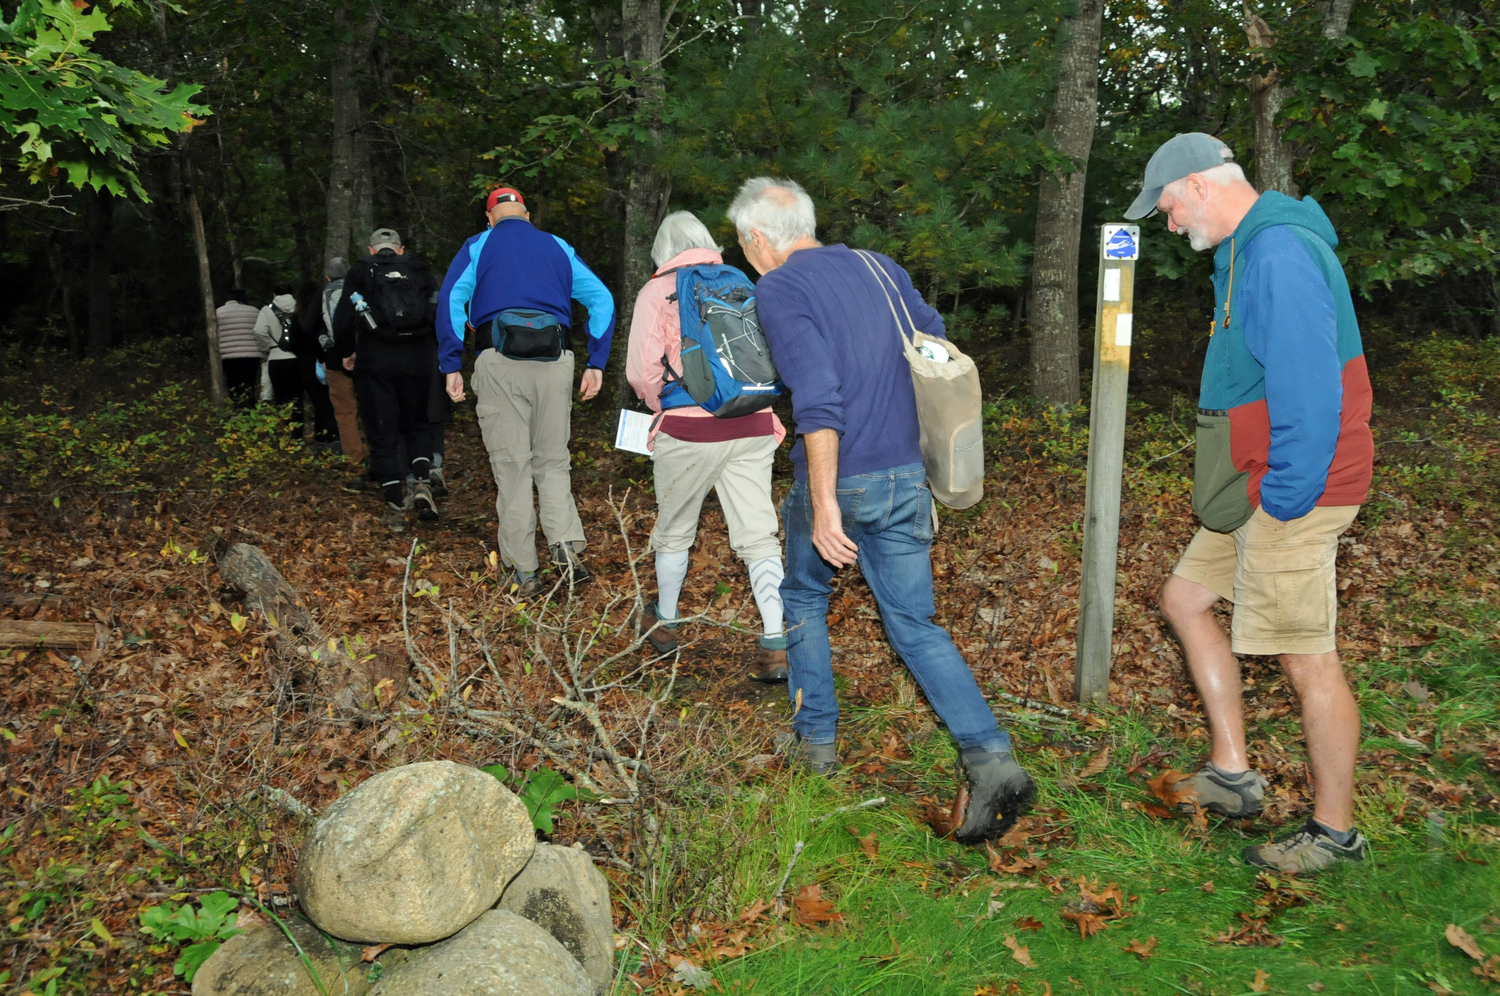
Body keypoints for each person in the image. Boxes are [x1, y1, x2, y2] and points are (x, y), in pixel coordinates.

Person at [731, 176, 1033, 844]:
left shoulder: (779, 287)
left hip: (847, 479)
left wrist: (823, 501)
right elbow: (935, 340)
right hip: (906, 476)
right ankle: (990, 758)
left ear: (758, 239)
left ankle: (815, 744)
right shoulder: (882, 268)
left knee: (804, 598)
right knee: (915, 625)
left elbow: (816, 398)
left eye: (742, 244)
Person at [1124, 133, 1374, 873]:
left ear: (1199, 185)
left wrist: (1287, 499)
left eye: (1167, 207)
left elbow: (1310, 387)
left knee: (1307, 659)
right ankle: (1233, 776)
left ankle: (1336, 835)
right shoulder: (1245, 254)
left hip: (1297, 485)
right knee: (1184, 598)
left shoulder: (1279, 254)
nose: (1169, 225)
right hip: (1257, 480)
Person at [624, 211, 789, 676]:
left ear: (662, 249)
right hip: (753, 422)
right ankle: (776, 641)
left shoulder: (659, 290)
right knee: (759, 536)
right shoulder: (741, 279)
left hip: (690, 431)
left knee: (675, 530)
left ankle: (666, 623)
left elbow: (640, 371)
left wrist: (664, 405)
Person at [438, 187, 615, 593]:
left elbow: (451, 299)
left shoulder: (478, 245)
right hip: (555, 361)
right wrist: (596, 361)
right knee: (553, 460)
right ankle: (567, 551)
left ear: (489, 218)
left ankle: (524, 572)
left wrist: (452, 362)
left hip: (498, 361)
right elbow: (601, 299)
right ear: (528, 215)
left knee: (512, 466)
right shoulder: (557, 246)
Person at [332, 228, 443, 532]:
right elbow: (438, 310)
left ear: (372, 250)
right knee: (417, 422)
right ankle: (421, 481)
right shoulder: (419, 269)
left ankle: (395, 504)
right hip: (417, 357)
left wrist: (346, 351)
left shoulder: (360, 272)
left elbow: (343, 317)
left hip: (375, 359)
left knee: (381, 430)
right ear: (400, 249)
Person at [320, 258, 370, 490]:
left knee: (345, 413)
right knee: (373, 407)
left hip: (336, 359)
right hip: (368, 357)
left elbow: (312, 326)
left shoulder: (326, 293)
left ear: (328, 277)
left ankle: (357, 464)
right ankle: (380, 457)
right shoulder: (362, 288)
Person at [291, 279, 338, 447]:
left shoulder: (298, 318)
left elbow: (293, 343)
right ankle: (333, 438)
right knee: (331, 402)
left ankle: (321, 440)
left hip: (307, 365)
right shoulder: (324, 315)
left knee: (319, 404)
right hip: (328, 360)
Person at [254, 282, 303, 425]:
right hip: (296, 358)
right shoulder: (299, 307)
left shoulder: (266, 310)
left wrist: (266, 347)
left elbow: (259, 331)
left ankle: (287, 433)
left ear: (274, 295)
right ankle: (297, 435)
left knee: (281, 398)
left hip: (275, 358)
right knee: (297, 398)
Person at [215, 289, 262, 407]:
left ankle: (236, 408)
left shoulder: (218, 313)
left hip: (228, 355)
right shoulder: (254, 311)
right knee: (249, 383)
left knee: (232, 383)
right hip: (251, 356)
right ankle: (250, 409)